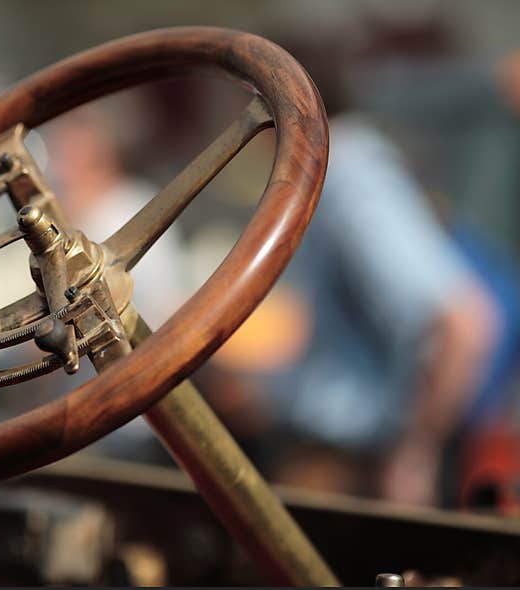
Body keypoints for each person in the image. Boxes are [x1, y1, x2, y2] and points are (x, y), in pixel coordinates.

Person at [202, 35, 502, 507]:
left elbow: (463, 324)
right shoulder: (327, 173)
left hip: (350, 471)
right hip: (327, 455)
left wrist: (413, 454)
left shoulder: (347, 173)